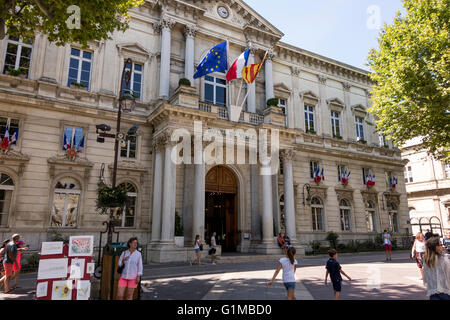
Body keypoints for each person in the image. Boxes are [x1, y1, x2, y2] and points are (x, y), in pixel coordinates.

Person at [422, 236, 450, 300]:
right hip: (445, 290)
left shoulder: (427, 259)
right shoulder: (443, 259)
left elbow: (425, 276)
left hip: (433, 291)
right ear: (436, 247)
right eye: (440, 244)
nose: (442, 246)